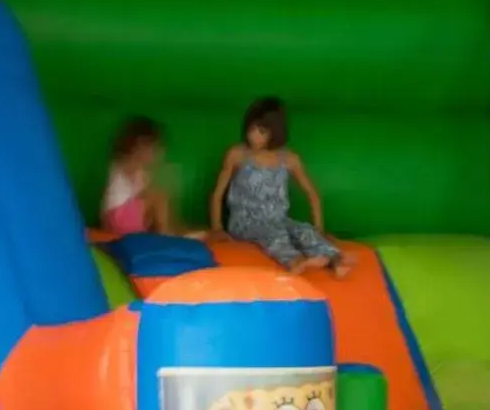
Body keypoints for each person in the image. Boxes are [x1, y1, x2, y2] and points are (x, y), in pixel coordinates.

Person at [209, 97, 351, 277]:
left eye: (261, 131)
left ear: (275, 132)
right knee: (274, 235)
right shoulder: (238, 155)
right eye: (251, 129)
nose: (253, 136)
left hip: (278, 219)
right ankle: (295, 262)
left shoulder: (289, 159)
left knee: (303, 230)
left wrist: (319, 229)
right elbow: (217, 194)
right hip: (245, 222)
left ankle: (334, 261)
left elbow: (313, 195)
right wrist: (217, 229)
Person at [102, 115, 177, 236]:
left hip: (125, 219)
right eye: (152, 148)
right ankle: (166, 235)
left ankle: (172, 231)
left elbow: (142, 199)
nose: (154, 153)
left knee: (161, 199)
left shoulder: (141, 172)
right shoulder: (125, 162)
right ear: (139, 146)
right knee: (159, 196)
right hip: (118, 219)